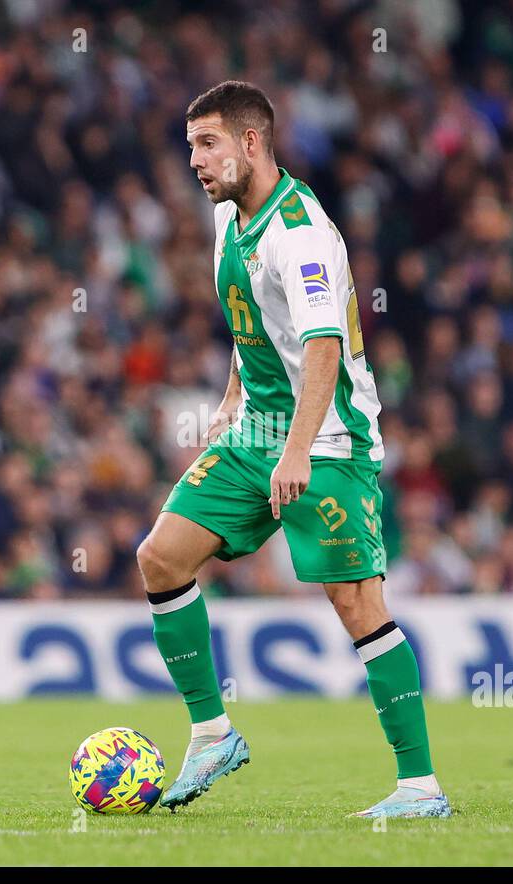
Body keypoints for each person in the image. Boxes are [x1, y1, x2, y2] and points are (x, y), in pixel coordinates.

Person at [136, 81, 447, 818]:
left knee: (356, 601)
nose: (195, 161)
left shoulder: (300, 230)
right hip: (260, 430)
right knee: (160, 558)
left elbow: (321, 347)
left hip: (330, 438)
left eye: (207, 144)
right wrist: (232, 398)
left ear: (251, 142)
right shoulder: (226, 217)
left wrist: (298, 451)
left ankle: (420, 787)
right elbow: (257, 327)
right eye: (189, 147)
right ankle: (212, 734)